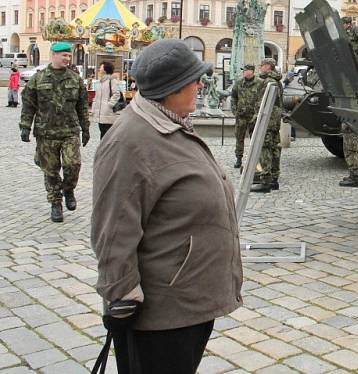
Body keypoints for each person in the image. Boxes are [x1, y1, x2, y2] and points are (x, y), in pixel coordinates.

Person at [91, 39, 243, 374]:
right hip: (160, 315)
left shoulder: (169, 122)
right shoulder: (129, 142)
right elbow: (112, 230)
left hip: (187, 302)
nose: (200, 84)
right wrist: (121, 295)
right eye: (194, 78)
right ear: (170, 88)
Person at [19, 42, 90, 222]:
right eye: (64, 55)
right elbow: (28, 105)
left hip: (69, 131)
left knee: (73, 164)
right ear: (53, 55)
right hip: (46, 133)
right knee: (50, 171)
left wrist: (86, 127)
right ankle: (56, 203)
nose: (67, 58)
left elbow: (82, 106)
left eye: (68, 55)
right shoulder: (38, 78)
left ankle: (69, 189)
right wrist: (25, 127)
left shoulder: (75, 79)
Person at [339, 16, 358, 188]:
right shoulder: (343, 34)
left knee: (352, 146)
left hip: (352, 121)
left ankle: (354, 176)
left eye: (344, 24)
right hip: (348, 119)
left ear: (348, 24)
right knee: (349, 146)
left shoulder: (356, 31)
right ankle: (353, 175)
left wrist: (353, 47)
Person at [253, 58, 283, 192]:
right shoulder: (276, 81)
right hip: (274, 120)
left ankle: (265, 181)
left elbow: (264, 102)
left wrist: (256, 117)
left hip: (268, 120)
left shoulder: (269, 82)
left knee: (265, 149)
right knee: (275, 148)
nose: (260, 67)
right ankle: (274, 180)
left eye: (262, 65)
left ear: (268, 67)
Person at [229, 63, 262, 169]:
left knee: (255, 139)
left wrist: (258, 113)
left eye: (246, 70)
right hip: (241, 116)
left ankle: (256, 160)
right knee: (239, 138)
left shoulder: (260, 83)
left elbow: (262, 98)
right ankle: (238, 159)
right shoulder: (239, 83)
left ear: (252, 71)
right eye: (243, 70)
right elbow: (233, 97)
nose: (244, 72)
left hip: (254, 116)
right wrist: (234, 110)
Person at [92, 61, 123, 140]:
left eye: (101, 67)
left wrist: (109, 105)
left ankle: (105, 151)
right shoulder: (102, 81)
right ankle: (103, 150)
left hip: (107, 113)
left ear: (105, 69)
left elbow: (116, 94)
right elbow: (97, 97)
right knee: (102, 133)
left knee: (106, 135)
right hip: (101, 113)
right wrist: (94, 108)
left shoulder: (112, 81)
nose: (99, 69)